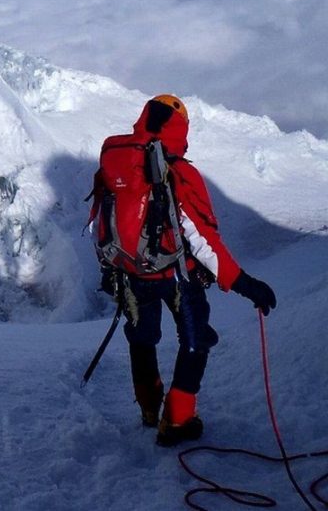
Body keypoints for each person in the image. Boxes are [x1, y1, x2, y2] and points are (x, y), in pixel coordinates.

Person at [90, 94, 277, 446]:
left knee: (142, 339)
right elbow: (203, 239)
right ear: (179, 129)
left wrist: (110, 267)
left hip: (131, 273)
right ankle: (177, 420)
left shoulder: (117, 161)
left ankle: (149, 408)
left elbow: (100, 221)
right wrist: (245, 284)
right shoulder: (177, 172)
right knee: (195, 339)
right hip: (178, 275)